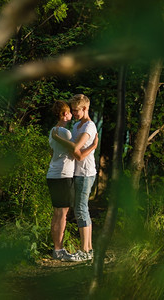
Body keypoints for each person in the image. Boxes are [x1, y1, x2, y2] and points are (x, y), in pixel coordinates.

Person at [47, 100, 98, 261]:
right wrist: (94, 146)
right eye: (70, 111)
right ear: (64, 114)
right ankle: (60, 250)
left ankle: (71, 250)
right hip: (63, 175)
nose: (73, 114)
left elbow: (57, 152)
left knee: (62, 213)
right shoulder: (67, 132)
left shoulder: (54, 131)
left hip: (56, 173)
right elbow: (76, 152)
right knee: (62, 214)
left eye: (75, 110)